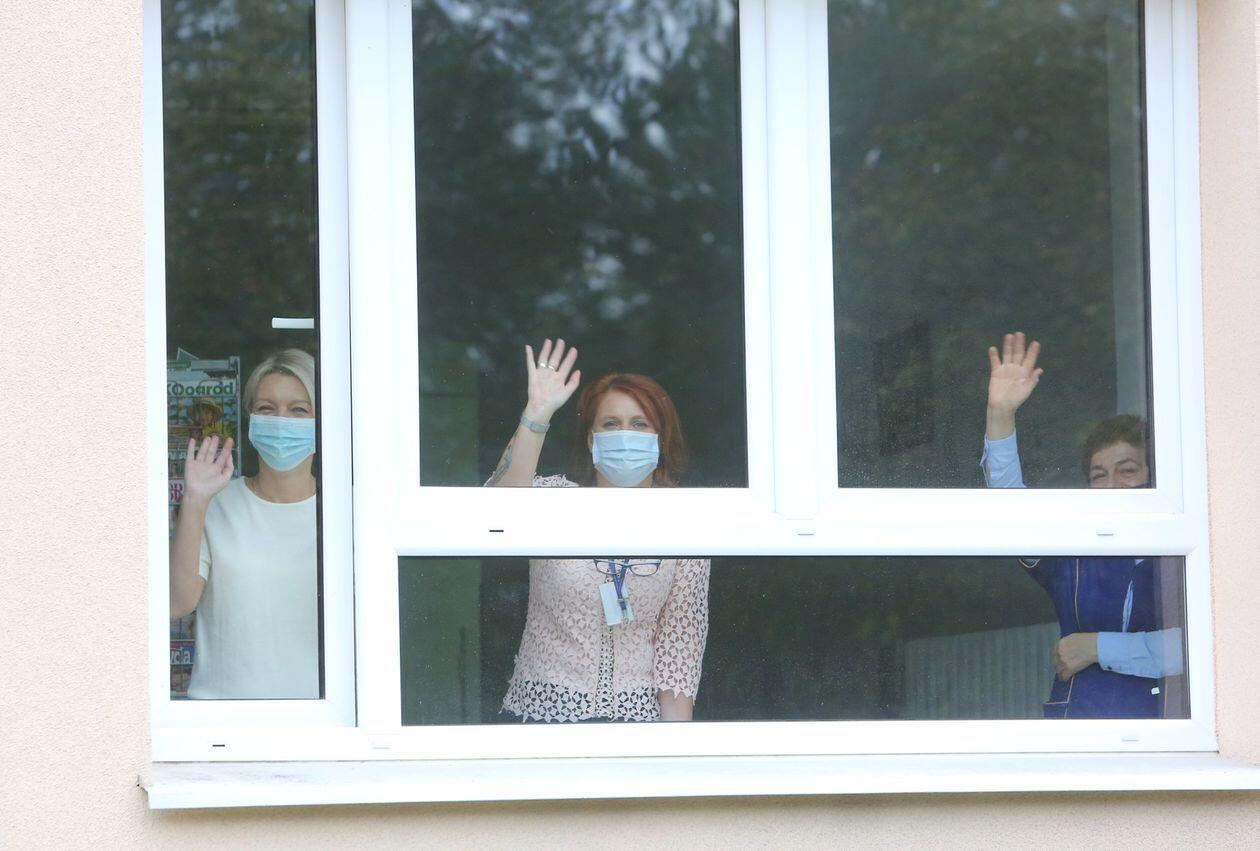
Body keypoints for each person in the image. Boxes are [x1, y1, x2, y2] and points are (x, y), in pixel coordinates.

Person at [488, 338, 709, 722]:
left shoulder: (684, 523)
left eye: (639, 424)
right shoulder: (556, 500)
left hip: (636, 724)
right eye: (611, 424)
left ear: (660, 439)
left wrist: (676, 751)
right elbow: (498, 509)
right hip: (542, 715)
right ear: (592, 440)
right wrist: (536, 413)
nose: (625, 434)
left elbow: (678, 655)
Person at [982, 331, 1184, 718]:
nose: (1112, 486)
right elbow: (1012, 513)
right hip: (1082, 728)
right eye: (1098, 475)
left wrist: (1094, 648)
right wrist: (1000, 415)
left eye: (1127, 470)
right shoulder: (1073, 552)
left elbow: (1206, 647)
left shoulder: (1182, 551)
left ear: (1154, 477)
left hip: (1169, 733)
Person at [169, 349, 320, 699]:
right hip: (222, 718)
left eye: (298, 409)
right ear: (250, 417)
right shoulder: (216, 503)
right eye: (266, 408)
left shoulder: (345, 512)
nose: (281, 420)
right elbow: (176, 603)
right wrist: (194, 501)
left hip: (318, 719)